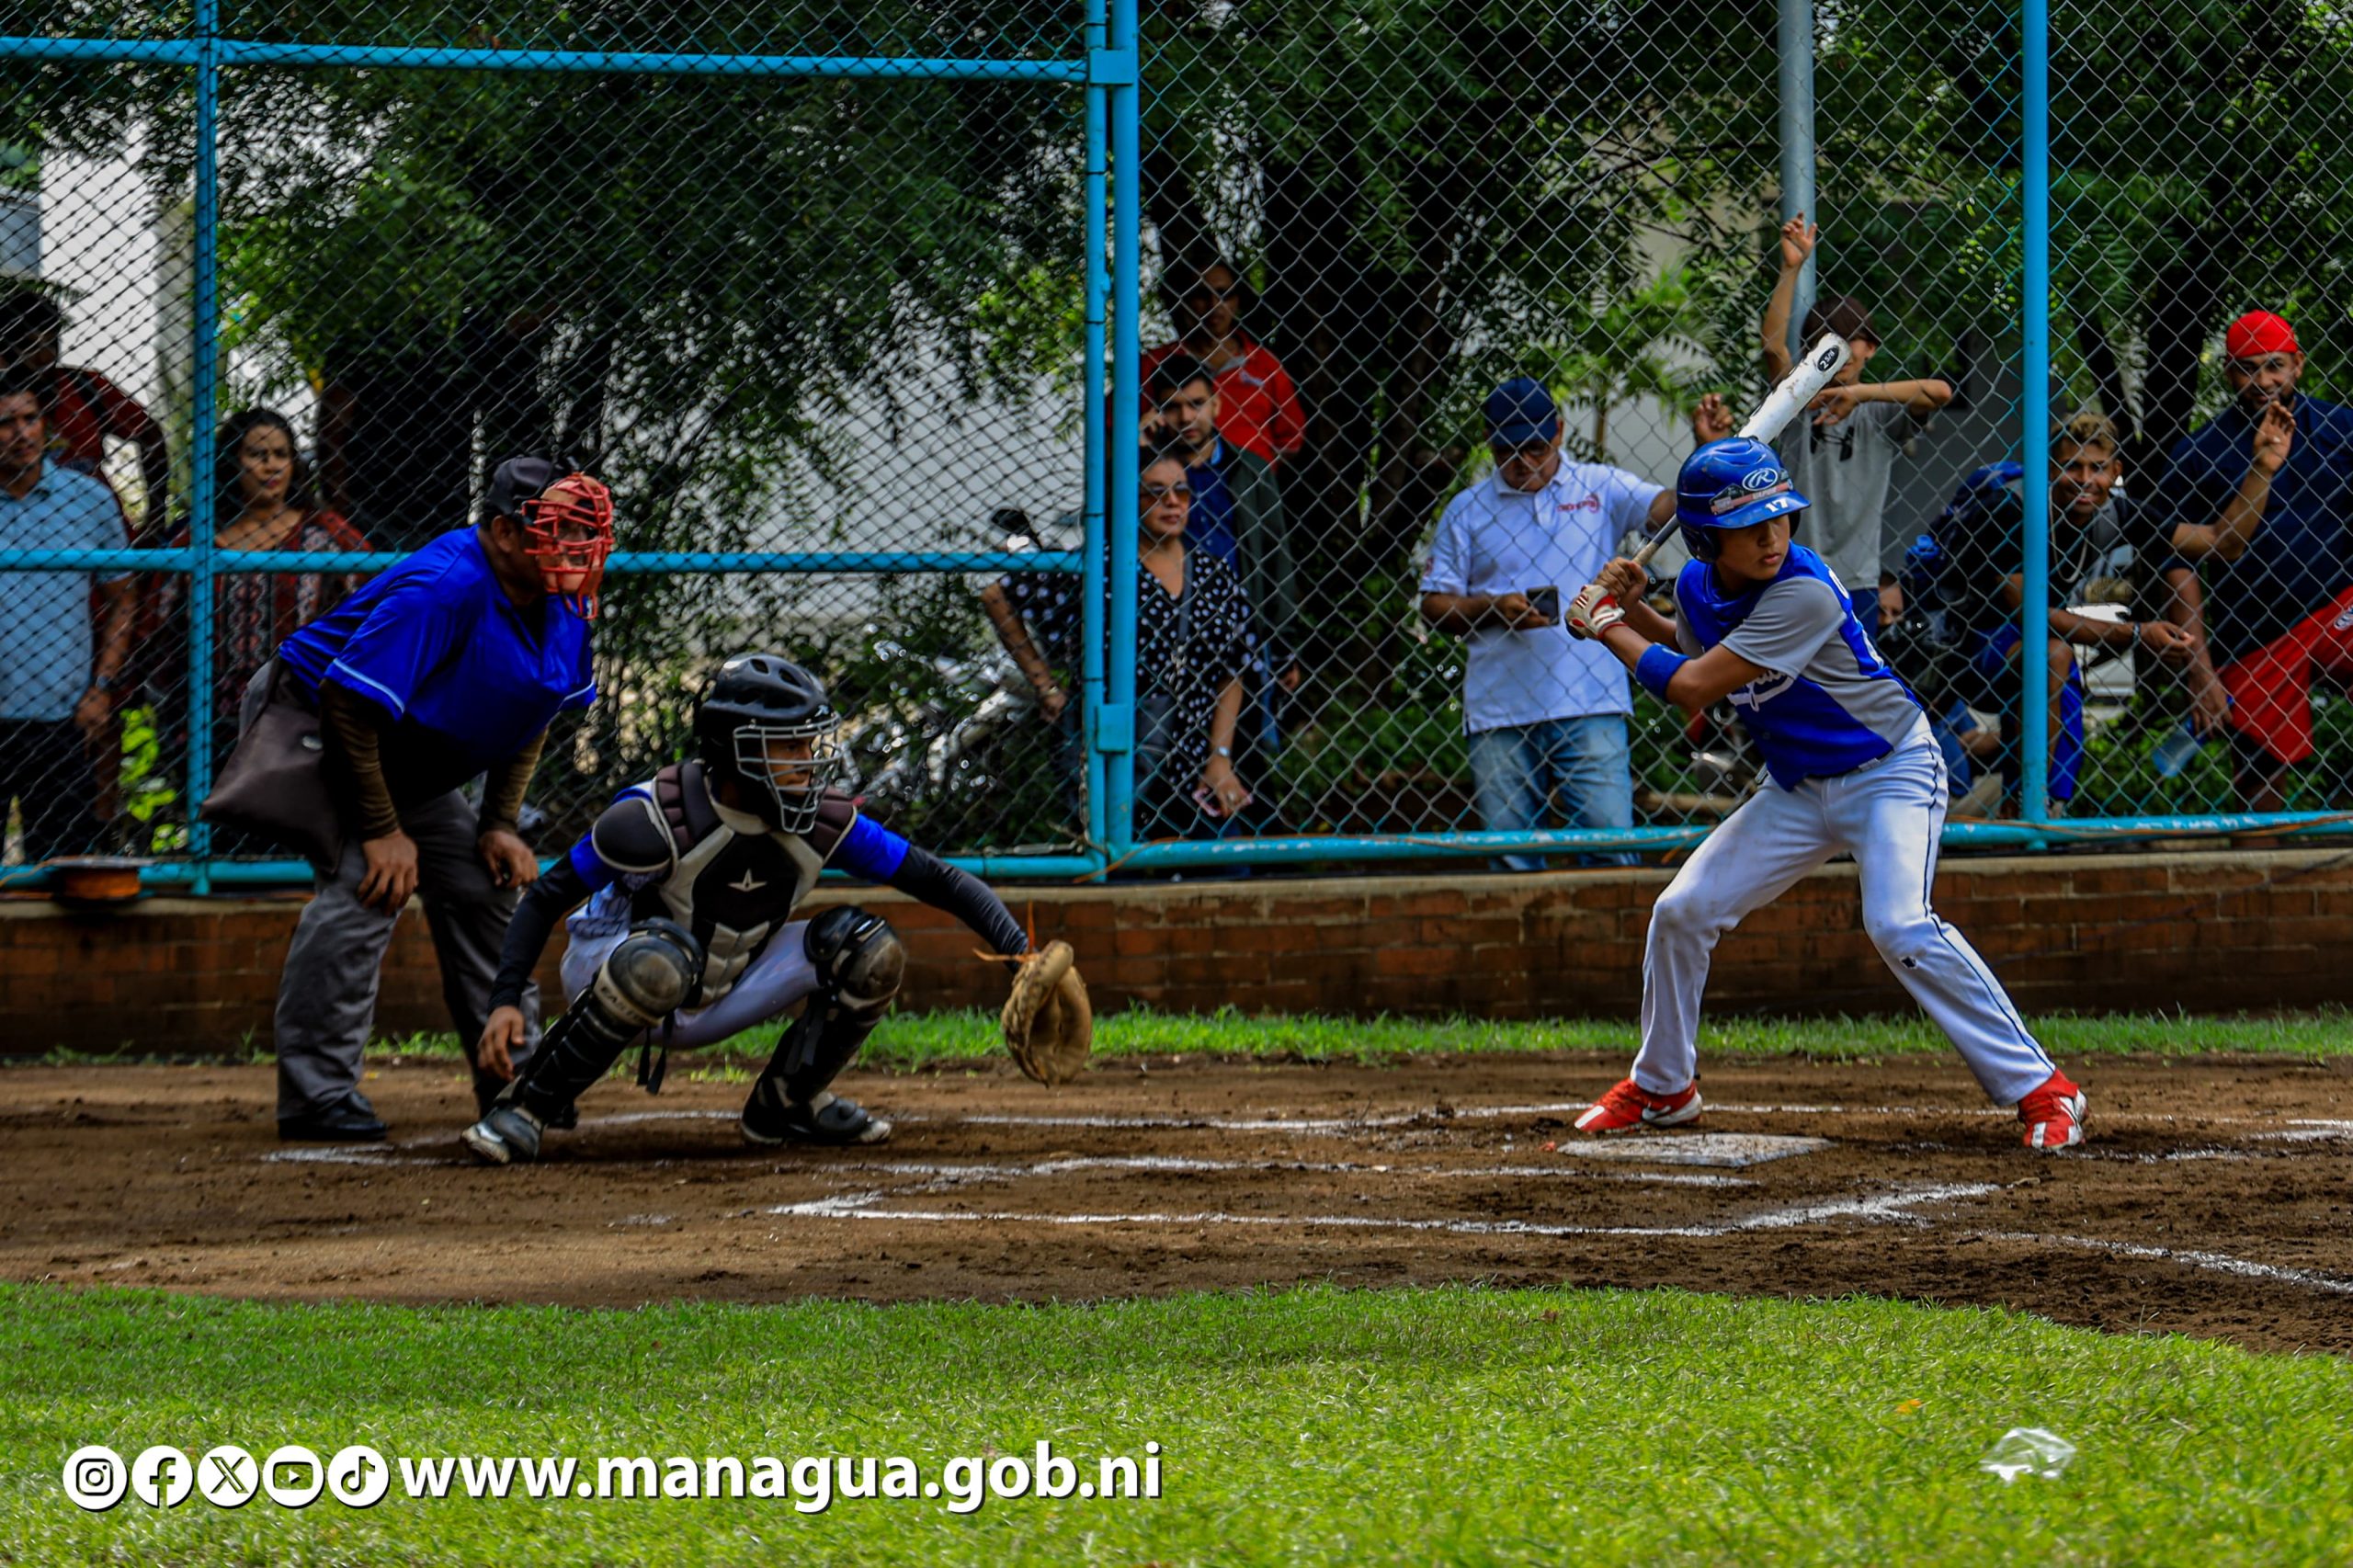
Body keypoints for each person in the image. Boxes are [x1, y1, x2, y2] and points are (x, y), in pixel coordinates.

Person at [1560, 436, 2086, 1152]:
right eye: (1750, 526)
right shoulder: (1694, 586)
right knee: (1682, 911)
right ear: (1707, 539)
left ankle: (2043, 1088)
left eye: (1780, 518)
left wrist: (1606, 624)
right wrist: (1631, 612)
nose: (1773, 536)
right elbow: (1691, 656)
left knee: (1900, 925)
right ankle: (1663, 1088)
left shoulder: (1803, 590)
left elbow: (1688, 687)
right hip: (1798, 787)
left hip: (1891, 771)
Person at [460, 653, 1035, 1163]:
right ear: (738, 750)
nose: (809, 760)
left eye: (810, 743)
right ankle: (528, 1107)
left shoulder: (824, 821)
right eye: (789, 745)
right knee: (661, 959)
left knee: (868, 948)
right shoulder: (656, 818)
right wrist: (507, 1000)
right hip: (617, 970)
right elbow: (545, 897)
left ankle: (787, 1103)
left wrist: (1018, 955)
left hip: (726, 979)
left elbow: (939, 880)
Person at [263, 457, 614, 1142]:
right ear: (505, 534)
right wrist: (382, 829)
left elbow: (533, 710)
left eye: (583, 532)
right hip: (318, 725)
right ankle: (316, 1096)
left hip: (406, 751)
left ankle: (514, 1078)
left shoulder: (563, 600)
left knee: (485, 888)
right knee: (371, 886)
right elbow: (346, 701)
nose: (575, 548)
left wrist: (499, 822)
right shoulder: (445, 586)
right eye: (557, 530)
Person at [1418, 376, 1730, 870]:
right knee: (1511, 859)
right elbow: (1433, 605)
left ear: (1559, 432)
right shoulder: (1468, 509)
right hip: (1500, 708)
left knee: (1610, 850)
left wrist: (1705, 455)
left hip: (1590, 700)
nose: (1523, 462)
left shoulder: (1599, 486)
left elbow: (1665, 511)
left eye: (1535, 448)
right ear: (1490, 443)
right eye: (1508, 451)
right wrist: (1491, 608)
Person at [1931, 415, 2211, 811]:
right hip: (1970, 643)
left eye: (2097, 468)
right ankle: (2030, 800)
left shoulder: (2115, 511)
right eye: (2071, 466)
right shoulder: (2013, 508)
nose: (2084, 479)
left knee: (2063, 692)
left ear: (2116, 471)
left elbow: (2217, 542)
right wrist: (2136, 634)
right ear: (2049, 468)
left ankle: (2042, 807)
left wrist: (2263, 468)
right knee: (2054, 654)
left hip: (2035, 643)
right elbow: (2032, 615)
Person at [983, 442, 1254, 841]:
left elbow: (1233, 667)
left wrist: (1220, 757)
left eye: (1181, 491)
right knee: (1111, 866)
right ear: (1128, 497)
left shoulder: (1214, 573)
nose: (1173, 502)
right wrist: (1046, 687)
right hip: (1113, 758)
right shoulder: (1097, 567)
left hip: (1195, 761)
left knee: (1215, 871)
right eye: (1156, 492)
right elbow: (997, 596)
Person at [2160, 310, 2353, 812]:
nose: (2263, 381)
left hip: (2337, 606)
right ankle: (2266, 867)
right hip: (2253, 634)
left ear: (2298, 365)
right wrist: (2199, 671)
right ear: (2228, 372)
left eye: (2275, 366)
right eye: (2248, 368)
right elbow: (2176, 565)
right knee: (2260, 785)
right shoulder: (2197, 452)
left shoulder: (2341, 429)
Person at [151, 409, 372, 800]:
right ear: (233, 462)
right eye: (257, 454)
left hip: (299, 717)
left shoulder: (325, 534)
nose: (271, 466)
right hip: (210, 722)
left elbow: (370, 602)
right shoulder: (198, 539)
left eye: (281, 454)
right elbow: (160, 622)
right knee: (217, 828)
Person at [1761, 216, 1954, 621]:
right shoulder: (1794, 401)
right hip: (1792, 572)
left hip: (1857, 581)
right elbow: (1772, 345)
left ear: (1870, 348)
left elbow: (1939, 392)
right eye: (1826, 345)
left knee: (1853, 682)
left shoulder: (1880, 413)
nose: (1840, 355)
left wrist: (1857, 394)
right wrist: (1791, 268)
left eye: (1849, 342)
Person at [0, 369, 134, 862]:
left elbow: (124, 597)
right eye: (5, 423)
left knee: (62, 870)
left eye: (30, 419)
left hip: (61, 718)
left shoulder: (88, 501)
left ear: (46, 424)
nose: (21, 433)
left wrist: (102, 686)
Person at [1150, 353, 1303, 759]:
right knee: (1163, 753)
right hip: (1167, 635)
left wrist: (1283, 641)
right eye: (1172, 407)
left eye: (1196, 404)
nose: (1186, 417)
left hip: (1241, 635)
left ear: (1216, 405)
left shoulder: (1248, 471)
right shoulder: (1146, 474)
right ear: (1157, 413)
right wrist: (1136, 442)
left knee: (1245, 755)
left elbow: (1276, 557)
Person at [0, 291, 170, 533]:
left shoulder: (84, 386)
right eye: (29, 345)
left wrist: (154, 517)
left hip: (95, 528)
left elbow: (150, 436)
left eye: (51, 343)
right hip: (20, 529)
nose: (43, 357)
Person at [1140, 258, 1305, 465]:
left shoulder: (1264, 364)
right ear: (1185, 300)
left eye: (1224, 294)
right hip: (1177, 486)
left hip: (1249, 485)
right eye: (1202, 295)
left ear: (1237, 301)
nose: (1214, 304)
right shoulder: (1154, 363)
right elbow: (1113, 428)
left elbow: (1291, 438)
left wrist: (1256, 468)